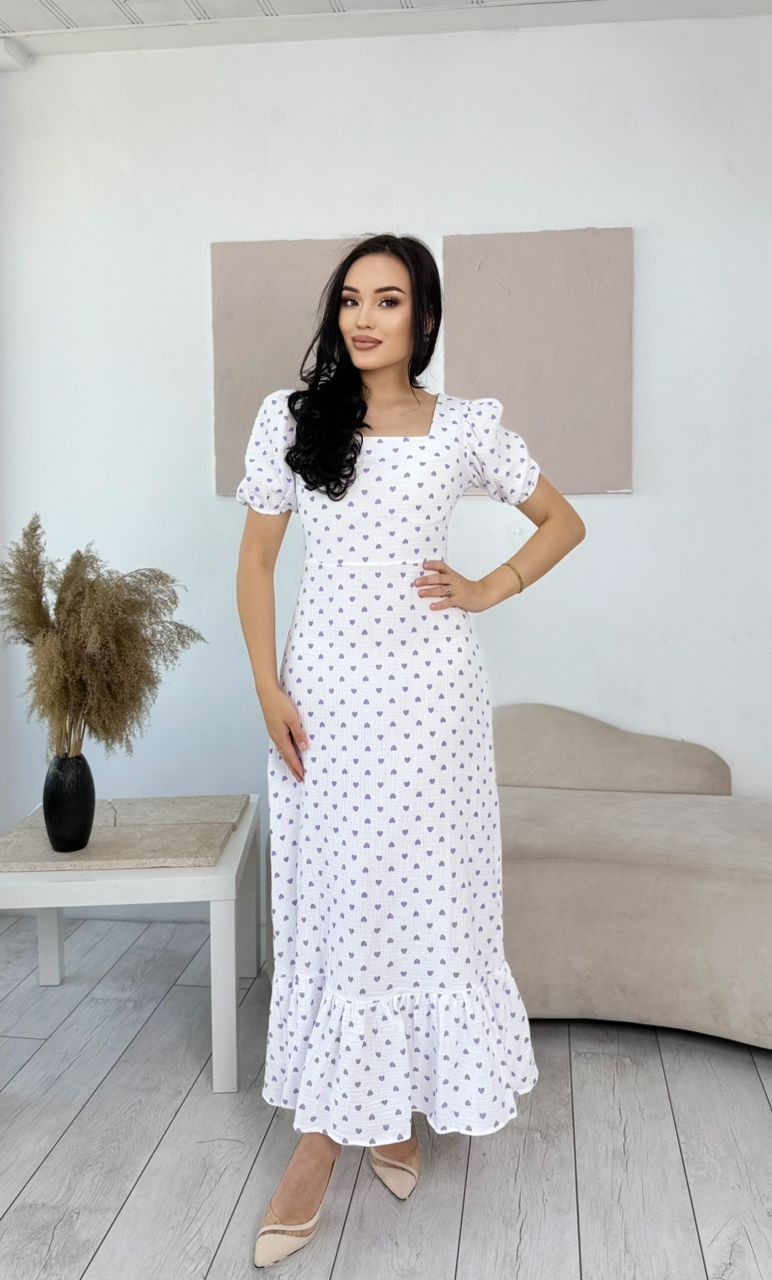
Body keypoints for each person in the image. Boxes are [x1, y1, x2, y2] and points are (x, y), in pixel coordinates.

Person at [235, 233, 586, 1267]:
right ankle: (324, 1134)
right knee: (342, 896)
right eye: (351, 298)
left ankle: (386, 1112)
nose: (364, 317)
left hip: (432, 704)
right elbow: (256, 563)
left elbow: (559, 521)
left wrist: (486, 587)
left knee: (422, 896)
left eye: (388, 300)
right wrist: (267, 687)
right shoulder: (291, 417)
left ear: (423, 319)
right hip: (326, 698)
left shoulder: (463, 427)